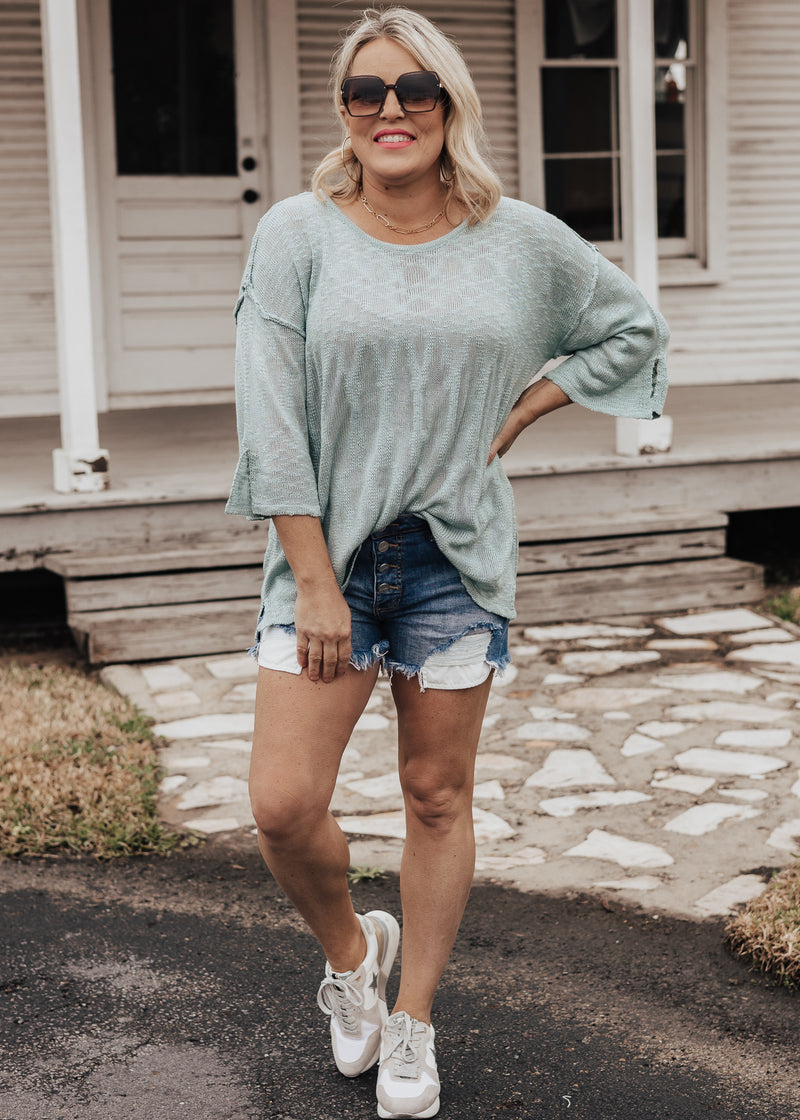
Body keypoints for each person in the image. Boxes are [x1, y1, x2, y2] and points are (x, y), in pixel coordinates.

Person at [226, 7, 668, 1118]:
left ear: (448, 104)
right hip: (328, 556)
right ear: (343, 110)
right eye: (366, 91)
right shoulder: (297, 234)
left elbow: (630, 328)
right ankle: (352, 960)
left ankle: (414, 1020)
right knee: (282, 805)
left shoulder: (517, 240)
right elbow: (269, 419)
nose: (391, 110)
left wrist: (523, 407)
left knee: (435, 795)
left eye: (414, 89)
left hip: (452, 560)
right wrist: (312, 578)